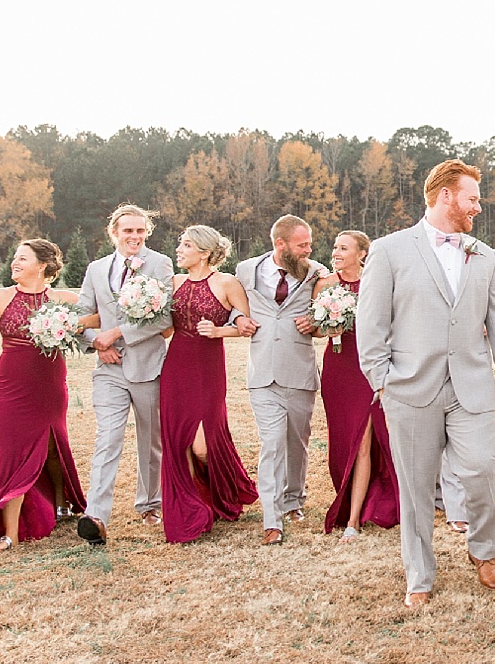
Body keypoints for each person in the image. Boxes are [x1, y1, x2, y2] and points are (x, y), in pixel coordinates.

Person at [354, 159, 495, 608]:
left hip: (469, 387)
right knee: (415, 487)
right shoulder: (390, 251)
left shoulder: (483, 256)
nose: (478, 207)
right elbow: (369, 325)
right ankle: (420, 575)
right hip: (409, 390)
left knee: (484, 470)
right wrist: (382, 382)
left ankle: (484, 551)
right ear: (446, 195)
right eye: (472, 198)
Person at [0, 239, 89, 549]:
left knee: (53, 444)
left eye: (22, 258)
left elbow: (97, 316)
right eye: (14, 257)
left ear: (42, 265)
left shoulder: (63, 299)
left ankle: (61, 500)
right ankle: (9, 533)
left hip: (49, 383)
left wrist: (75, 326)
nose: (15, 262)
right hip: (9, 386)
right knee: (11, 453)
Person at [72, 204, 175, 546]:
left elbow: (164, 321)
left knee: (151, 440)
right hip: (109, 370)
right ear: (114, 233)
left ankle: (149, 503)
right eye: (128, 231)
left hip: (147, 365)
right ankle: (96, 514)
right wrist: (98, 344)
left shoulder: (159, 264)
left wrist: (116, 334)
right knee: (108, 438)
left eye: (140, 231)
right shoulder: (96, 269)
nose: (134, 237)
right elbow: (83, 316)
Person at [158, 226, 259, 543]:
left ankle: (225, 490)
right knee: (177, 441)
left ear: (203, 252)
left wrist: (219, 332)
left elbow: (248, 326)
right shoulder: (172, 283)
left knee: (203, 445)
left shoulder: (227, 283)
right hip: (175, 365)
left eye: (186, 245)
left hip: (207, 367)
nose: (179, 249)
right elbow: (164, 332)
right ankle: (192, 507)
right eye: (180, 243)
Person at [233, 215, 323, 545]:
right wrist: (239, 318)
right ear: (280, 244)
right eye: (302, 245)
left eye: (309, 244)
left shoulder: (315, 272)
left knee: (296, 441)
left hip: (299, 369)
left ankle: (293, 500)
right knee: (272, 443)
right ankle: (272, 520)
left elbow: (328, 308)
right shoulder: (246, 270)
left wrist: (314, 321)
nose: (308, 250)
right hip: (262, 372)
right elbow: (233, 305)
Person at [315, 231, 399, 539]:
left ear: (362, 253)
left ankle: (352, 520)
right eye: (335, 246)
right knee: (341, 441)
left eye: (343, 248)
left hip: (366, 368)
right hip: (337, 367)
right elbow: (315, 330)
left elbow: (392, 325)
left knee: (363, 442)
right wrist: (329, 326)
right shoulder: (324, 284)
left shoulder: (375, 284)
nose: (336, 251)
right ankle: (347, 496)